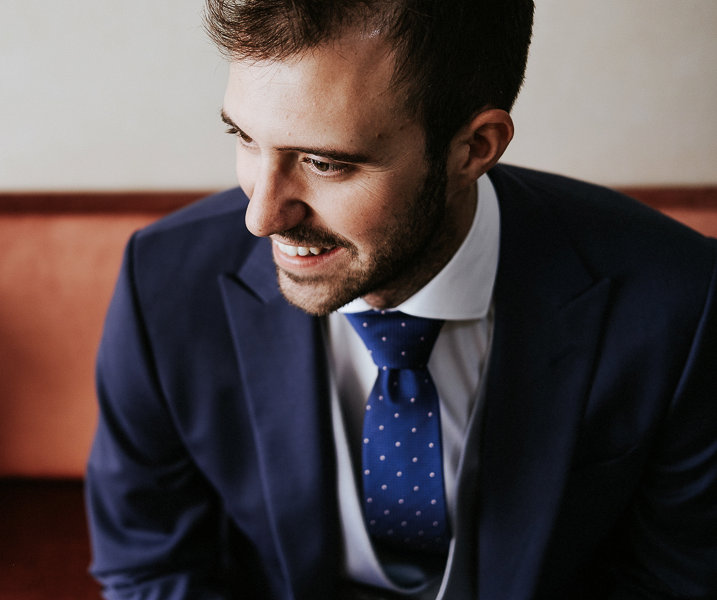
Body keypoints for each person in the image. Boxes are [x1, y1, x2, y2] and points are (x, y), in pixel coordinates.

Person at [85, 1, 717, 598]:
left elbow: (680, 579)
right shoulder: (163, 282)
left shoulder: (680, 302)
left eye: (326, 162)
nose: (261, 216)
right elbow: (149, 565)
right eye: (245, 138)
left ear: (474, 149)